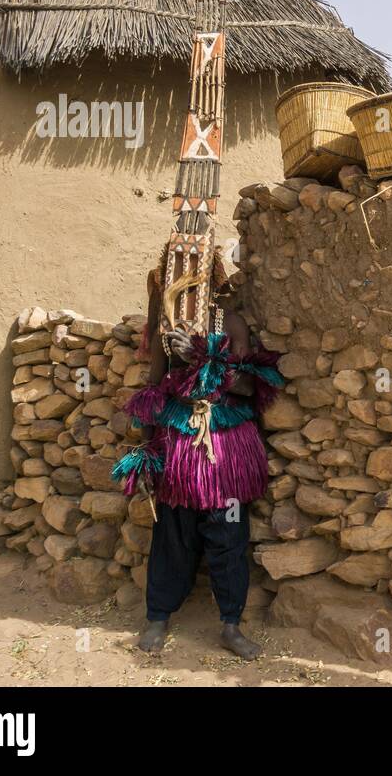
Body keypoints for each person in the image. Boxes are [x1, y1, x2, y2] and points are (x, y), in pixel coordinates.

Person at [117, 245, 283, 660]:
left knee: (228, 536)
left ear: (211, 278)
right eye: (176, 273)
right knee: (172, 534)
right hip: (180, 445)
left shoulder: (231, 323)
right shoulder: (166, 331)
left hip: (225, 447)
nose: (184, 281)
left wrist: (200, 357)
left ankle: (230, 624)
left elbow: (247, 387)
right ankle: (158, 615)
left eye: (194, 272)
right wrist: (148, 449)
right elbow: (154, 388)